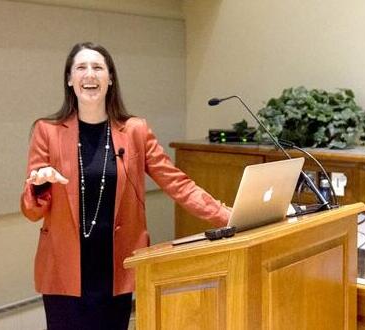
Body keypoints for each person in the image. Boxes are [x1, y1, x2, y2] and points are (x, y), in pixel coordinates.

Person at [20, 42, 231, 330]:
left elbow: (178, 183)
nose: (90, 74)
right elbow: (32, 211)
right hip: (63, 268)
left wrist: (228, 215)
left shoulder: (135, 131)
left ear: (110, 79)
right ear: (70, 79)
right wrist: (39, 186)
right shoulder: (48, 131)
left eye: (98, 67)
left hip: (117, 267)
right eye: (81, 68)